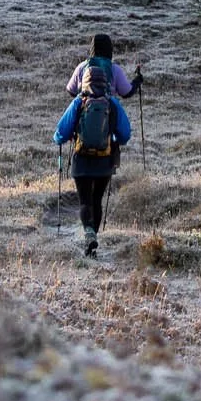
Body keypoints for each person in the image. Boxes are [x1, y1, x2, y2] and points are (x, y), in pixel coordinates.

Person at [54, 60, 131, 257]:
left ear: (85, 82)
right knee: (97, 200)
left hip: (82, 160)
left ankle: (89, 234)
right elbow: (125, 135)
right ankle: (92, 239)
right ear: (105, 82)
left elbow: (61, 133)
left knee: (85, 201)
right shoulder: (112, 103)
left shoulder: (78, 102)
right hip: (105, 161)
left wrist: (61, 138)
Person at [65, 31, 142, 100]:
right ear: (109, 49)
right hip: (107, 109)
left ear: (92, 49)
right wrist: (137, 81)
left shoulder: (81, 67)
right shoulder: (115, 69)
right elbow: (126, 93)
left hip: (85, 108)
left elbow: (71, 91)